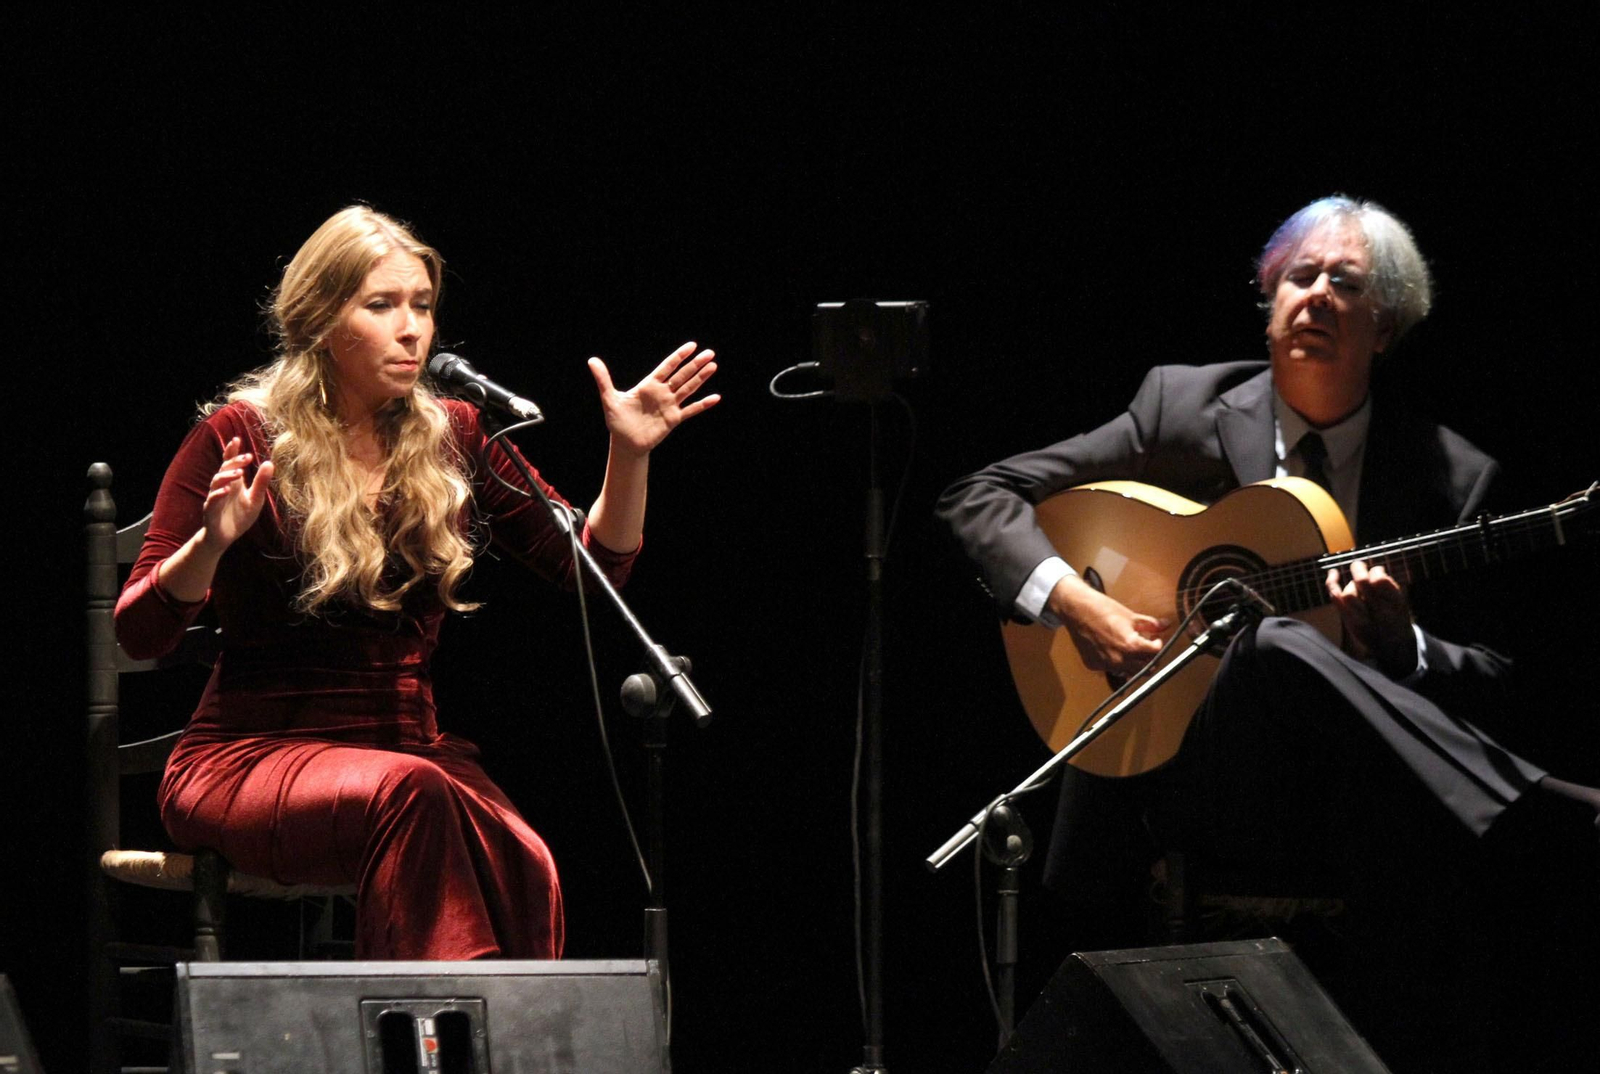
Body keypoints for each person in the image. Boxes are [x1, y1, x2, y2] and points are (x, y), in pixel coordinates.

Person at [937, 196, 1598, 1066]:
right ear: (1269, 300)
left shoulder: (1450, 474)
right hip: (1175, 770)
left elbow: (1493, 674)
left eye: (1345, 283)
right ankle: (1544, 815)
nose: (1317, 294)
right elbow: (979, 495)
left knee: (1281, 647)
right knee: (1274, 639)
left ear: (1385, 328)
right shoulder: (1181, 408)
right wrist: (1077, 604)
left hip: (1342, 791)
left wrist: (1402, 648)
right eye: (1300, 276)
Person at [114, 205, 720, 960]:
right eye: (382, 305)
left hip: (408, 757)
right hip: (248, 756)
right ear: (322, 320)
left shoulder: (455, 433)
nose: (412, 330)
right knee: (418, 797)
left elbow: (592, 571)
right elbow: (139, 632)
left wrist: (629, 456)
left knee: (524, 859)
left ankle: (487, 1026)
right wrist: (210, 545)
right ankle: (425, 1024)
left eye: (423, 306)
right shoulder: (241, 436)